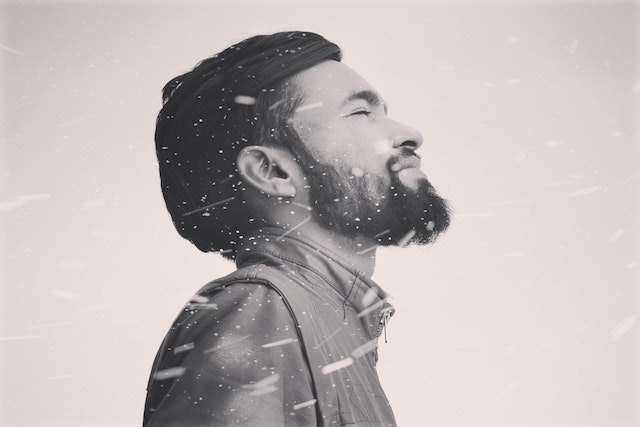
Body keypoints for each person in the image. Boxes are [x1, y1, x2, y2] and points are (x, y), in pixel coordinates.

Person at [144, 31, 451, 426]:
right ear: (272, 171)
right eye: (361, 113)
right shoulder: (262, 311)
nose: (409, 133)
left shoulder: (319, 320)